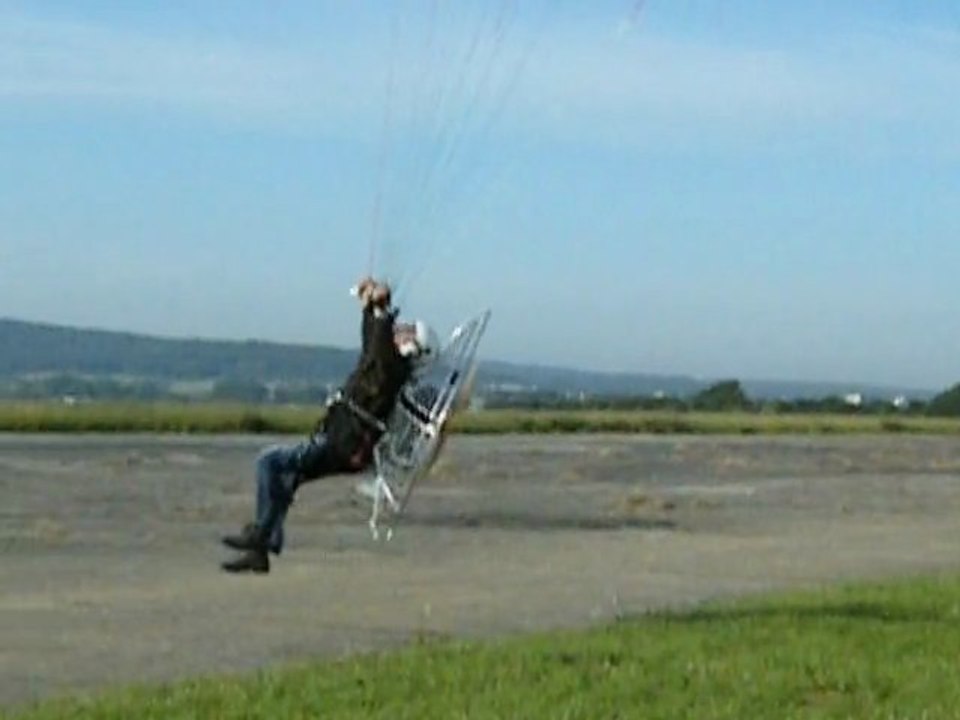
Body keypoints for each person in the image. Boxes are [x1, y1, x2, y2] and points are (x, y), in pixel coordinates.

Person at [220, 277, 438, 574]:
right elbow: (370, 346)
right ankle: (261, 549)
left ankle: (262, 537)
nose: (400, 333)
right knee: (287, 478)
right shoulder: (384, 366)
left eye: (407, 333)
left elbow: (378, 348)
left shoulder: (392, 369)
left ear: (414, 348)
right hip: (342, 440)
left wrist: (382, 309)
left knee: (269, 462)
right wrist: (368, 310)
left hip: (343, 443)